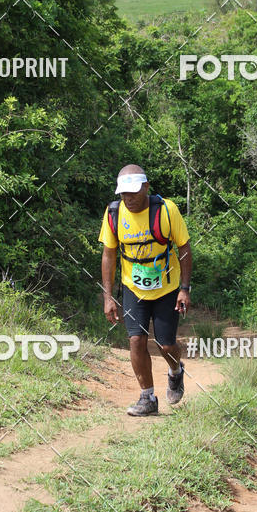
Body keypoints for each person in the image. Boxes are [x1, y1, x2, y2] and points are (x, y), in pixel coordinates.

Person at [99, 165, 192, 416]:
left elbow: (184, 249)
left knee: (166, 345)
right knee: (136, 340)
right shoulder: (114, 213)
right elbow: (109, 255)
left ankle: (176, 371)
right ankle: (147, 398)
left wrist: (184, 289)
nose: (128, 199)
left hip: (167, 287)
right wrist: (108, 297)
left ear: (146, 188)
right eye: (124, 194)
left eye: (134, 193)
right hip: (133, 288)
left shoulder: (166, 211)